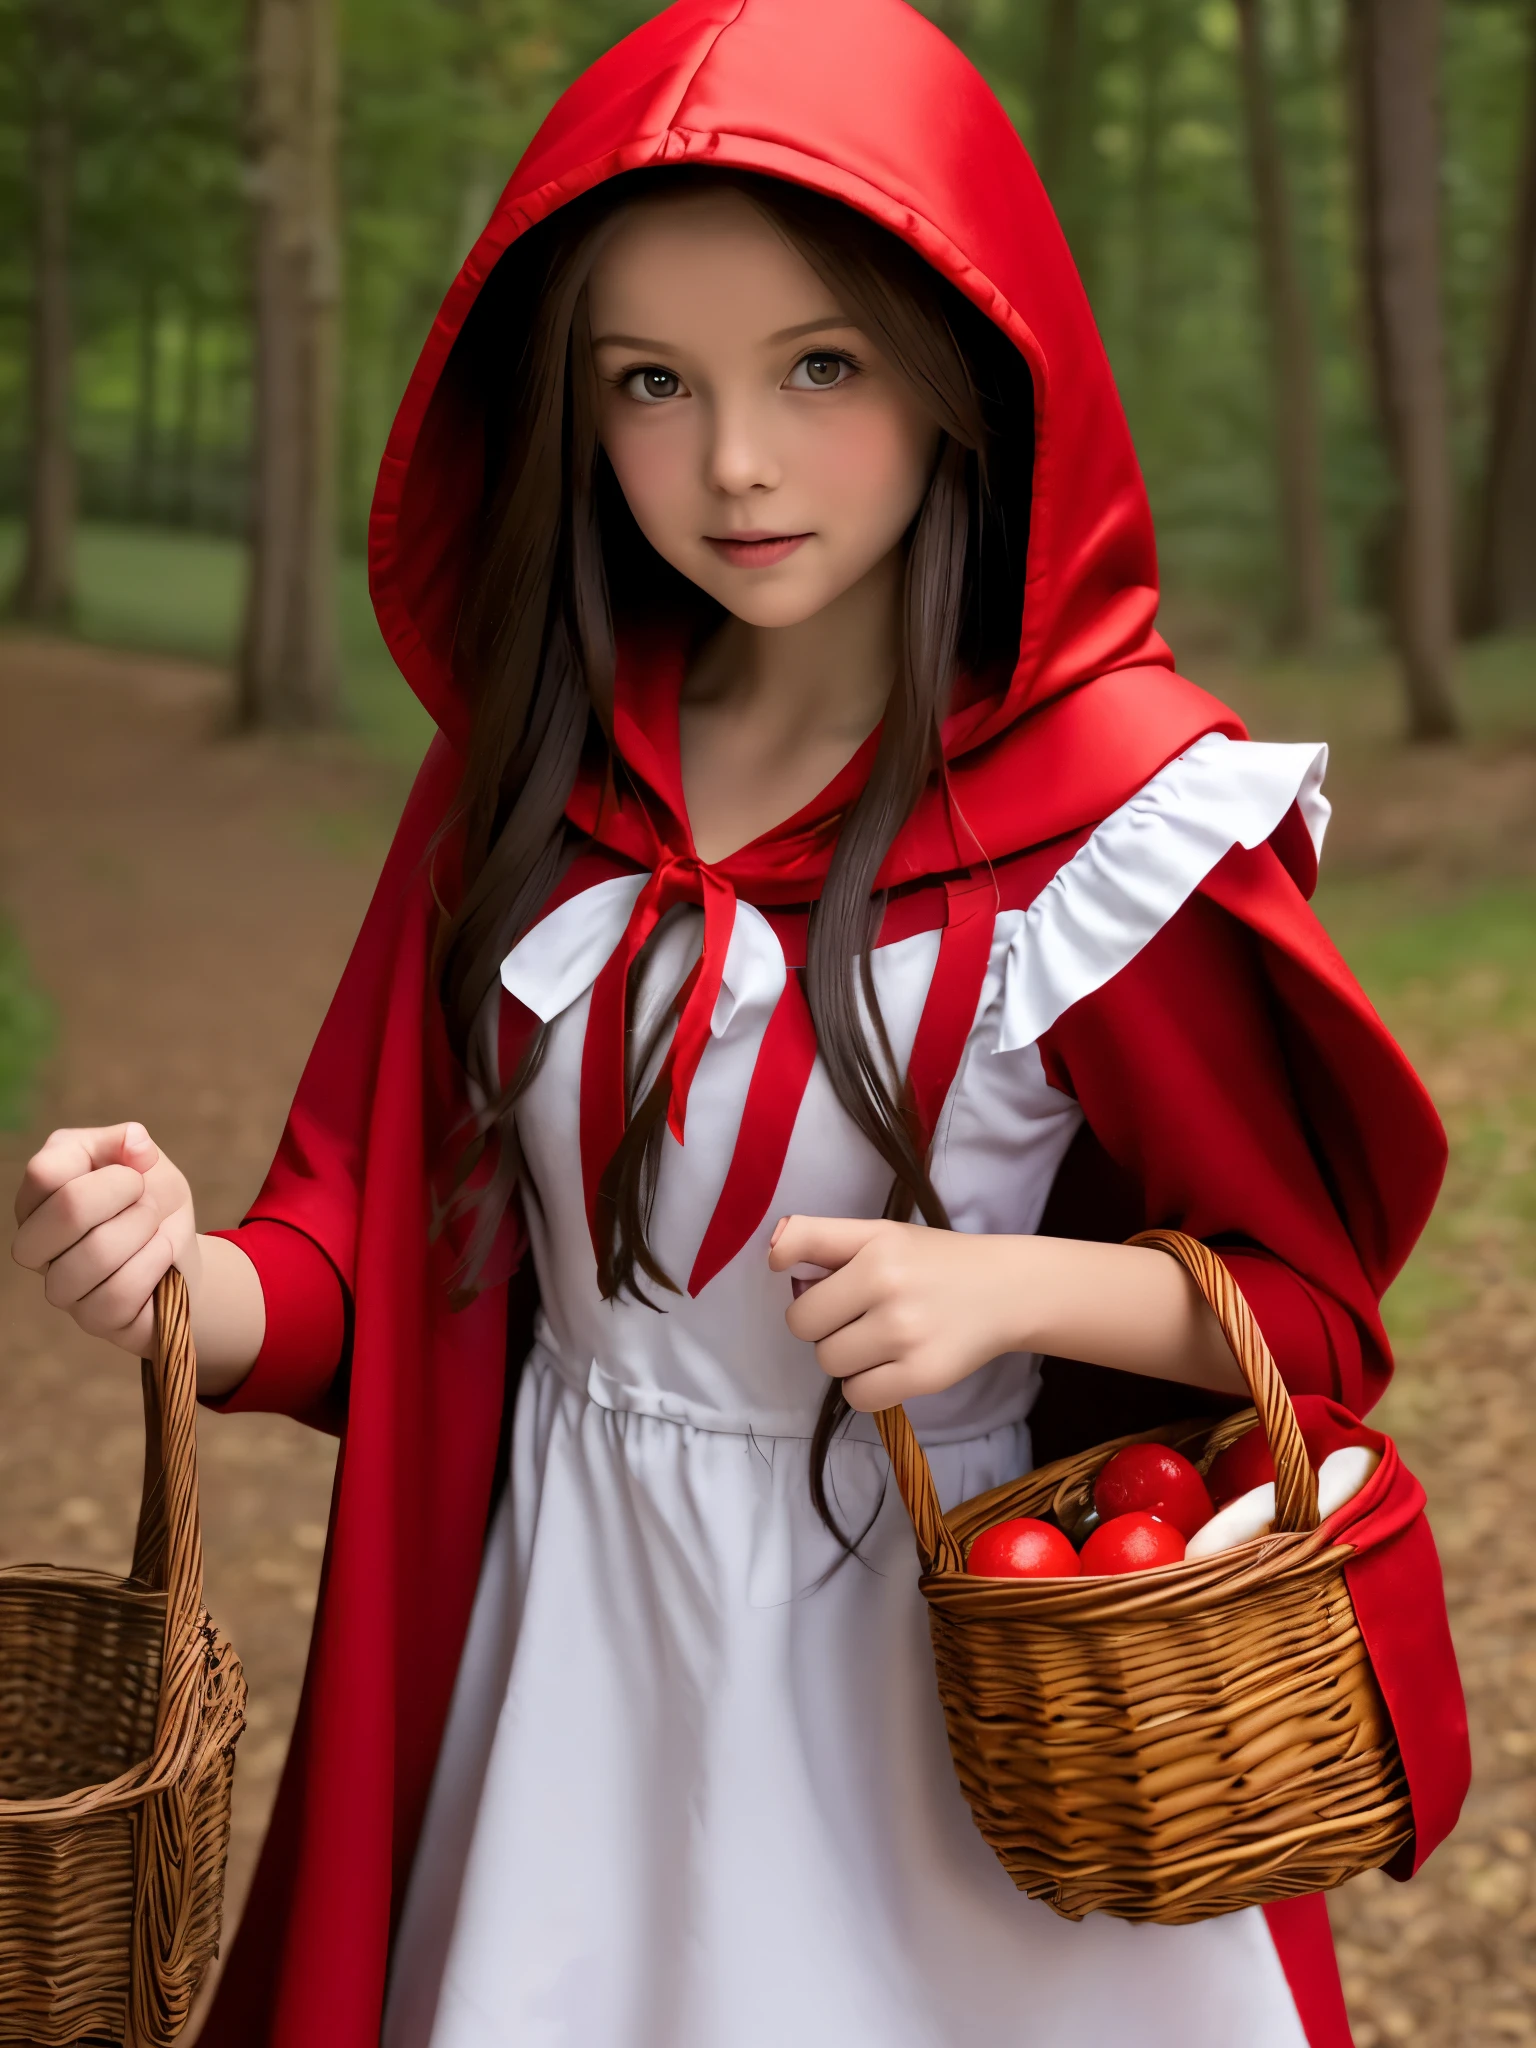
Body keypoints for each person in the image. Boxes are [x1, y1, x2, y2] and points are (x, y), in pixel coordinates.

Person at [10, 1, 1464, 2043]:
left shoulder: (1122, 825)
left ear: (968, 364)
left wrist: (1013, 1292)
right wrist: (176, 1276)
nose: (737, 462)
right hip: (579, 1668)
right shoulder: (535, 775)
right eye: (653, 384)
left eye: (821, 367)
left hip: (949, 1700)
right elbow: (358, 1261)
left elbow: (1307, 1325)